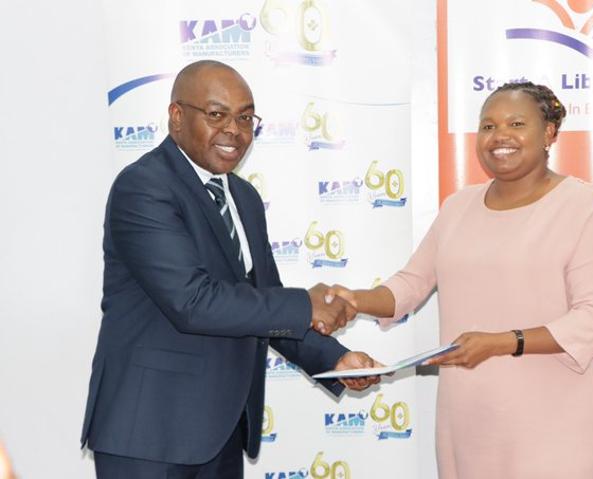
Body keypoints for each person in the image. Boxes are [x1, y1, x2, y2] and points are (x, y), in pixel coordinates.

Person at [81, 60, 379, 478]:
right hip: (148, 433)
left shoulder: (244, 197)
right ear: (177, 116)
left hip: (220, 431)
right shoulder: (144, 187)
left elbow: (264, 302)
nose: (234, 130)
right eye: (217, 114)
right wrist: (306, 304)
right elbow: (192, 301)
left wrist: (336, 358)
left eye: (245, 118)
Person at [328, 82, 593, 478]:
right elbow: (410, 284)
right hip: (469, 417)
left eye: (516, 124)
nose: (499, 136)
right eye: (488, 126)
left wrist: (501, 342)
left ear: (549, 133)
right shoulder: (458, 206)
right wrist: (354, 299)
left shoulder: (583, 207)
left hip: (555, 418)